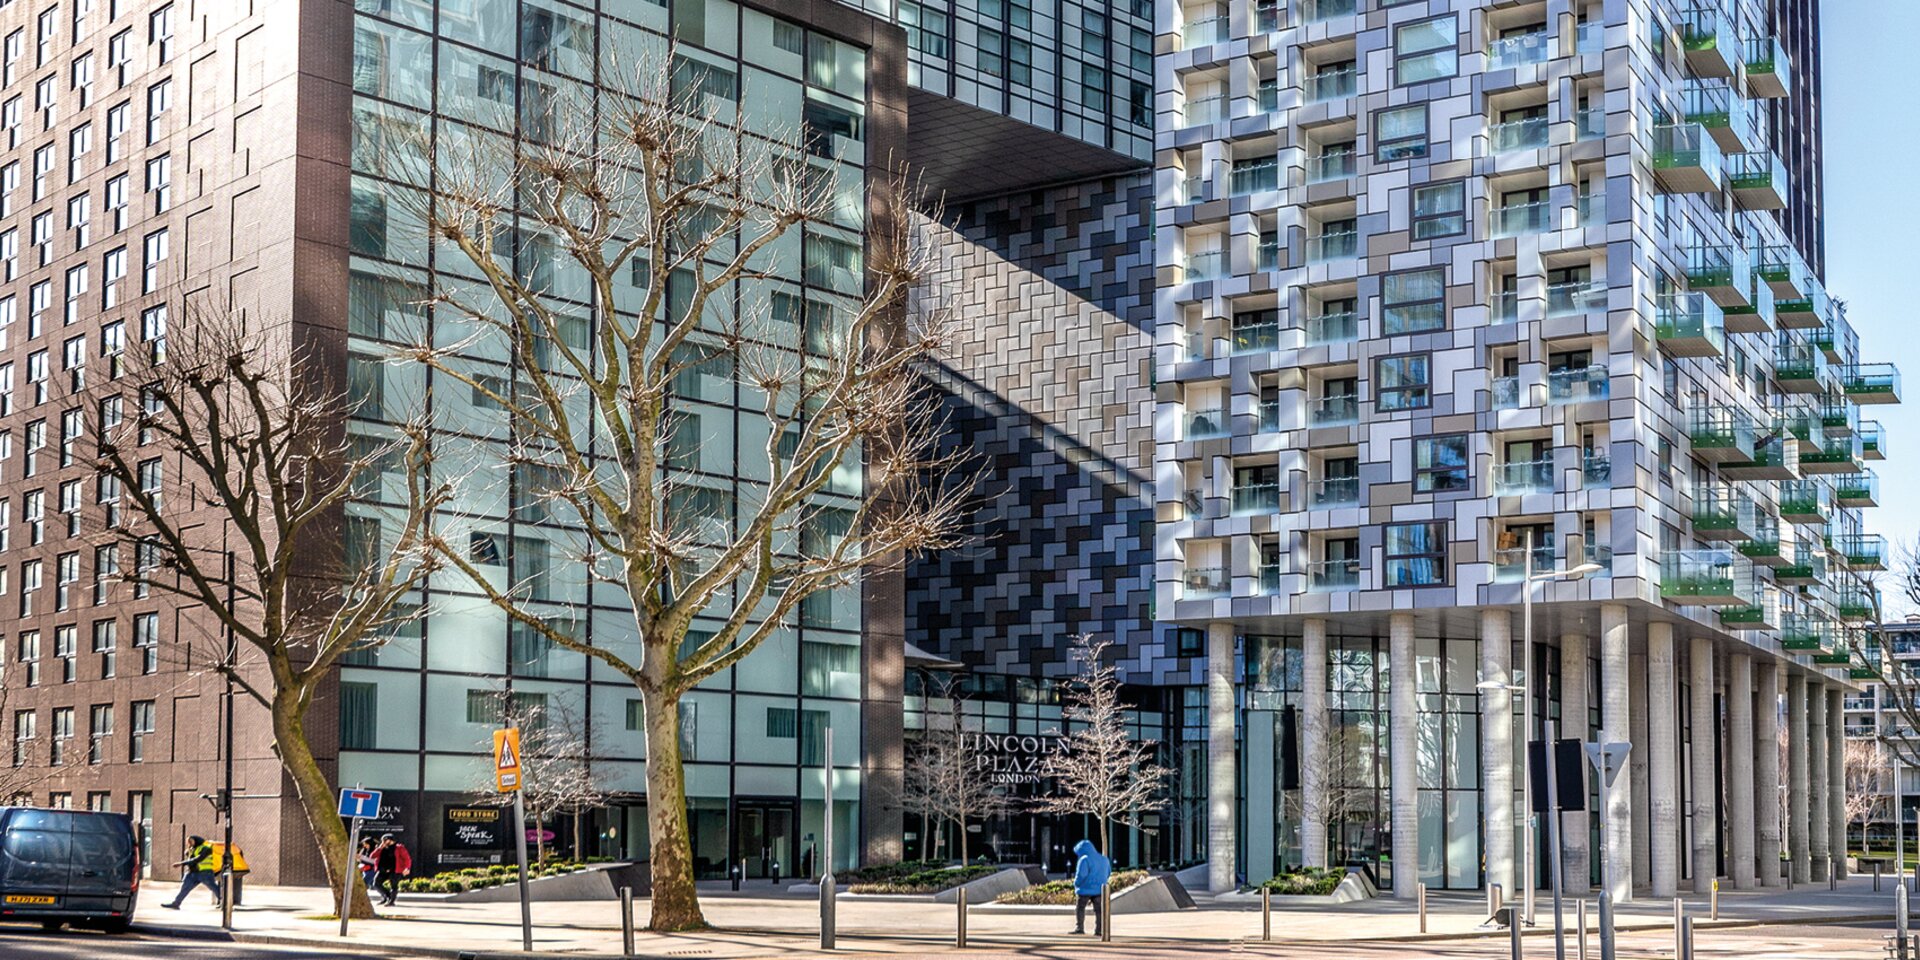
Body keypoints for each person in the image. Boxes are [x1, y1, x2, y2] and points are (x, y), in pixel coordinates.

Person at [161, 836, 222, 909]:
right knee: (185, 888)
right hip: (192, 872)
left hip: (205, 872)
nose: (189, 843)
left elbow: (198, 859)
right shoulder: (191, 849)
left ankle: (224, 902)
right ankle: (176, 903)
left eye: (191, 841)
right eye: (188, 841)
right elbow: (191, 858)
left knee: (214, 888)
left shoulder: (205, 848)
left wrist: (181, 863)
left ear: (196, 840)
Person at [1068, 839, 1110, 936]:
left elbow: (1081, 875)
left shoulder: (1084, 859)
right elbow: (1108, 873)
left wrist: (1076, 883)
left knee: (1080, 908)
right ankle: (1099, 930)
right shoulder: (1104, 859)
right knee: (1099, 910)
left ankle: (1080, 928)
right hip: (1100, 889)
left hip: (1085, 889)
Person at [373, 834, 412, 907]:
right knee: (376, 883)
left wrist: (407, 868)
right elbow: (372, 856)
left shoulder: (399, 848)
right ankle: (387, 896)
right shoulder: (382, 848)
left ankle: (391, 901)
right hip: (383, 870)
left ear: (391, 840)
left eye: (385, 840)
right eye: (383, 840)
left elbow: (407, 859)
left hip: (395, 870)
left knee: (393, 885)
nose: (383, 842)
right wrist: (380, 848)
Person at [210, 841, 251, 906]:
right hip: (239, 868)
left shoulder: (213, 848)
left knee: (222, 883)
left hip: (220, 869)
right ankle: (236, 900)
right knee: (234, 883)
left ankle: (221, 901)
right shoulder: (234, 848)